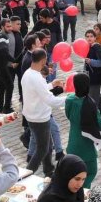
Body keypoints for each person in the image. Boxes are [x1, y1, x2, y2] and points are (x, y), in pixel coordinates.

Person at [65, 73, 101, 188]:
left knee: (73, 174)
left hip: (72, 145)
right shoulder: (91, 105)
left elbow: (68, 115)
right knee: (90, 173)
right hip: (87, 149)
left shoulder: (69, 100)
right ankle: (81, 193)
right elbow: (100, 125)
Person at [22, 48, 66, 176]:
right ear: (43, 60)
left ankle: (49, 170)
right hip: (39, 117)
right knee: (43, 148)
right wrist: (68, 99)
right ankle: (27, 173)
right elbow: (49, 99)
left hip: (32, 115)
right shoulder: (37, 78)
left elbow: (39, 91)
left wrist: (52, 84)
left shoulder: (28, 74)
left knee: (48, 144)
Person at [0, 19, 16, 114]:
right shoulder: (2, 37)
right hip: (0, 66)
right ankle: (6, 108)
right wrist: (14, 60)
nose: (10, 28)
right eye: (7, 26)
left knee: (1, 86)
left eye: (10, 26)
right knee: (10, 85)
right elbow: (4, 53)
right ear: (2, 27)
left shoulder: (2, 35)